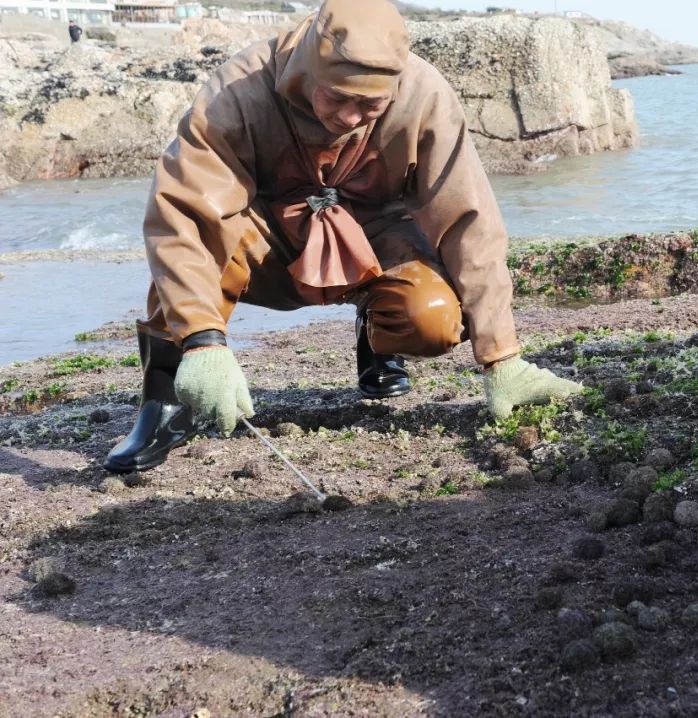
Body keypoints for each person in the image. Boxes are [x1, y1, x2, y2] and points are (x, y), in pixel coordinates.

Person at [103, 0, 583, 473]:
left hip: (375, 239)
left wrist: (501, 356)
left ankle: (378, 335)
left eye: (370, 104)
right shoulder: (240, 90)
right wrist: (203, 341)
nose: (351, 118)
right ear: (311, 69)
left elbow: (468, 220)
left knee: (431, 317)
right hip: (267, 237)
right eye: (337, 97)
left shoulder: (425, 96)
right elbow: (183, 213)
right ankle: (164, 402)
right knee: (197, 241)